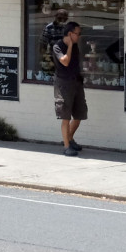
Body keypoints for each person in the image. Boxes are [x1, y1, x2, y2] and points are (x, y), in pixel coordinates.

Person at [53, 21, 87, 156]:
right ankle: (67, 146)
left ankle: (70, 138)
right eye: (77, 34)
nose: (79, 36)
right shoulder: (58, 46)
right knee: (65, 116)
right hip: (63, 83)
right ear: (70, 34)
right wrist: (70, 46)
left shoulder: (77, 46)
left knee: (80, 114)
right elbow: (65, 61)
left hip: (76, 82)